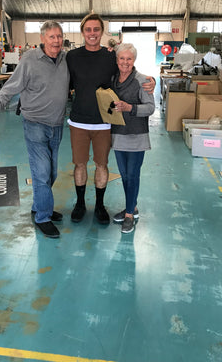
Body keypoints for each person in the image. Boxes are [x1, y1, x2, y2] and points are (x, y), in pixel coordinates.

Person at [0, 21, 69, 239]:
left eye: (59, 36)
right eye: (52, 37)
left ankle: (40, 205)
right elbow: (9, 88)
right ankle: (43, 217)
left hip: (57, 125)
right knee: (42, 172)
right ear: (43, 39)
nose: (56, 40)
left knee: (52, 172)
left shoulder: (66, 59)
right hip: (35, 124)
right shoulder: (29, 60)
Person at [66, 13, 155, 225]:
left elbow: (129, 69)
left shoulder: (110, 57)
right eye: (88, 29)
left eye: (96, 29)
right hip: (78, 121)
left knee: (102, 165)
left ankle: (99, 205)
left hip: (105, 123)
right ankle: (80, 204)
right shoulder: (72, 57)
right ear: (82, 32)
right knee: (79, 165)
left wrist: (150, 80)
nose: (92, 33)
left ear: (102, 32)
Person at [110, 43, 155, 233]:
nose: (125, 62)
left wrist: (130, 108)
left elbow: (150, 108)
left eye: (129, 59)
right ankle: (132, 207)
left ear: (134, 60)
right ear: (117, 60)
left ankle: (129, 215)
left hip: (136, 135)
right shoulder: (112, 79)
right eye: (122, 58)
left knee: (132, 175)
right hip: (118, 134)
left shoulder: (143, 80)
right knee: (124, 175)